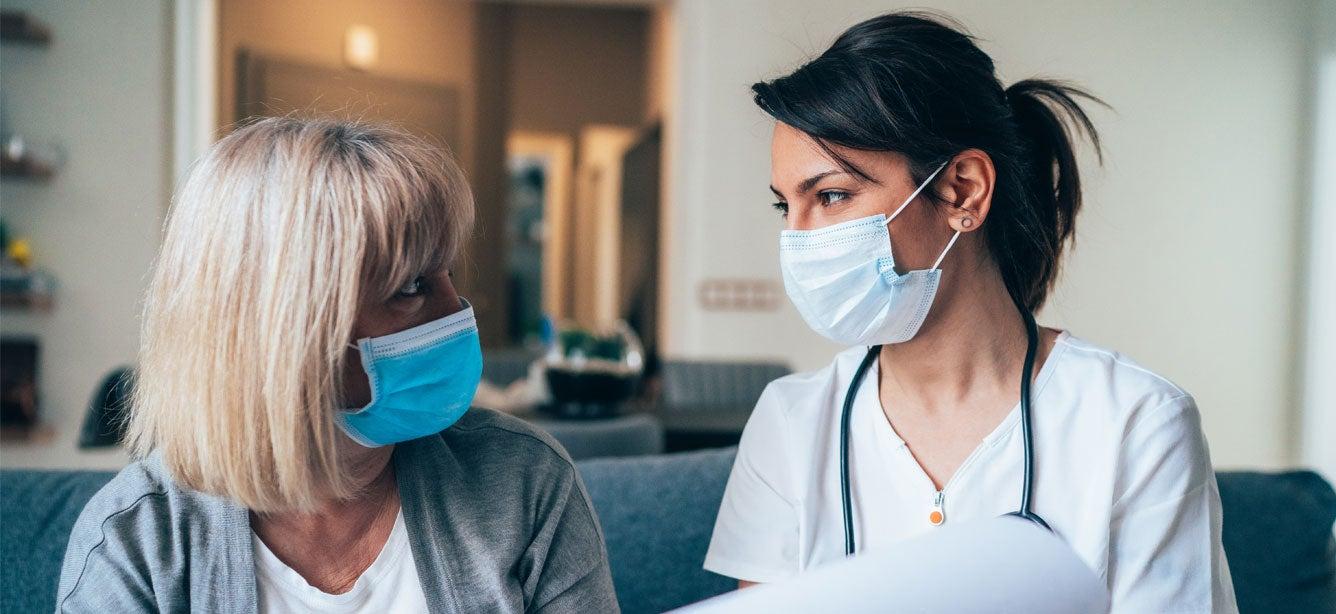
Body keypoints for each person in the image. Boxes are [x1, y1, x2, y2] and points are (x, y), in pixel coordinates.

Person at [703, 12, 1237, 613]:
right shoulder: (791, 424)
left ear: (962, 191)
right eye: (786, 206)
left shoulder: (1137, 423)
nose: (798, 239)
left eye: (831, 196)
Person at [56, 118, 618, 613]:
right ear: (281, 333)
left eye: (449, 276)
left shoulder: (526, 483)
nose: (459, 316)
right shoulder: (136, 542)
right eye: (410, 286)